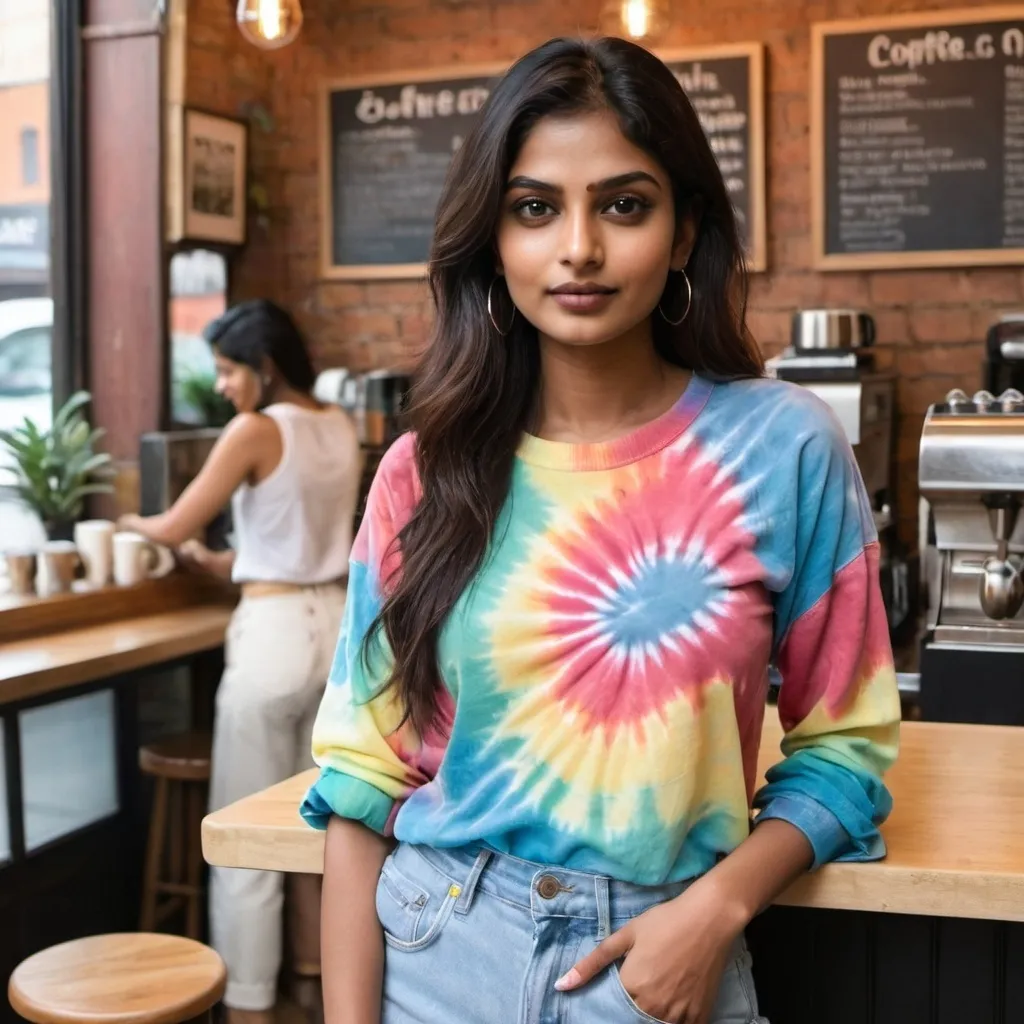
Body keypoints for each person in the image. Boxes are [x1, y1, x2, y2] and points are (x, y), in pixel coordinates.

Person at [301, 37, 901, 1024]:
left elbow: (848, 749)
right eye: (535, 208)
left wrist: (715, 909)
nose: (577, 246)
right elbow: (364, 778)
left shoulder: (780, 445)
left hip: (660, 962)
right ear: (494, 239)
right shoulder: (424, 471)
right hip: (435, 944)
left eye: (623, 205)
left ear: (681, 232)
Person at [120, 299, 363, 1024]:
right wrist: (221, 560)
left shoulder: (254, 430)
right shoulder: (338, 423)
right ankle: (313, 981)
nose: (223, 385)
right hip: (334, 631)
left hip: (273, 638)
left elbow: (169, 524)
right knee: (313, 826)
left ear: (263, 367)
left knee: (244, 838)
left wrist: (124, 523)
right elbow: (297, 540)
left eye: (229, 370)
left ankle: (249, 1005)